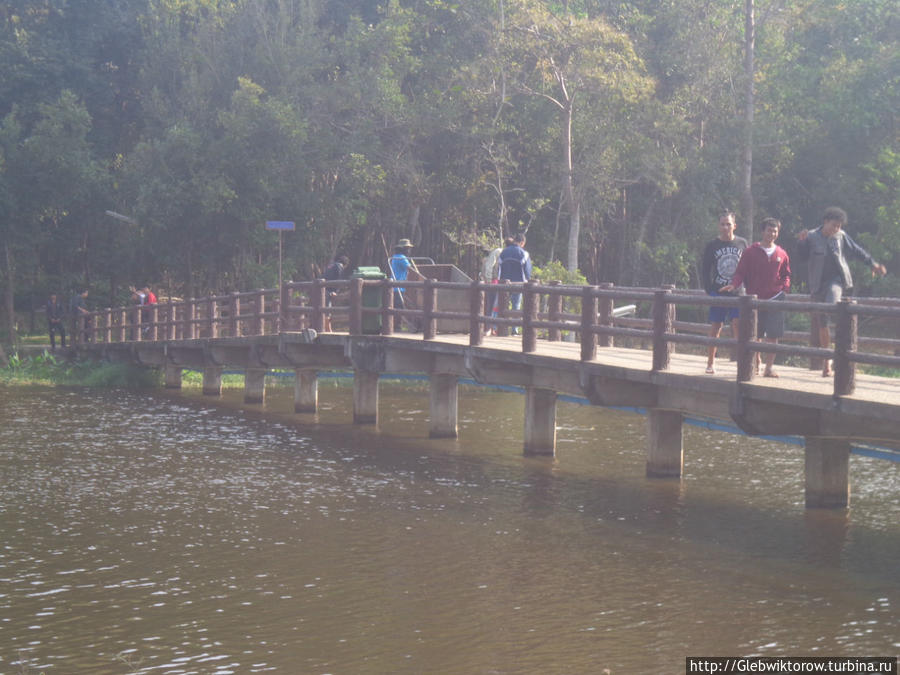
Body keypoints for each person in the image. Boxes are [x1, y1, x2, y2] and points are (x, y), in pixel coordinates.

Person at [795, 206, 887, 376]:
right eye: (833, 225)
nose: (836, 229)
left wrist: (872, 264)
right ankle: (827, 361)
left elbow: (857, 250)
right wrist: (801, 242)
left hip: (837, 280)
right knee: (822, 323)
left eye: (839, 226)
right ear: (825, 222)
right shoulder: (812, 237)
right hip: (817, 285)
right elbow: (802, 257)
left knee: (831, 305)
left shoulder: (841, 236)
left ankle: (843, 353)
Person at [719, 218, 791, 378]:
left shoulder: (782, 253)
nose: (771, 233)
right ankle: (756, 362)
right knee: (754, 335)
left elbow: (786, 274)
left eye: (775, 231)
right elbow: (740, 272)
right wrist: (734, 284)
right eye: (769, 230)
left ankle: (769, 368)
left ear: (778, 233)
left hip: (776, 298)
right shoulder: (751, 252)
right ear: (762, 231)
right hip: (755, 299)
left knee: (773, 335)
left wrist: (785, 287)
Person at [701, 212, 747, 374]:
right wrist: (709, 290)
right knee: (716, 326)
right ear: (718, 226)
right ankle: (710, 363)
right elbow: (705, 269)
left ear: (735, 225)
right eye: (722, 224)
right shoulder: (712, 245)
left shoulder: (742, 243)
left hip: (737, 293)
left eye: (728, 224)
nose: (725, 227)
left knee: (738, 326)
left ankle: (742, 363)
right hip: (719, 291)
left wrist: (745, 288)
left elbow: (747, 268)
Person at [498, 233, 532, 335]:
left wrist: (500, 280)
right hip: (519, 282)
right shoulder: (524, 254)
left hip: (504, 282)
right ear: (522, 243)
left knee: (503, 305)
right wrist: (527, 280)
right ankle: (514, 330)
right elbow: (527, 271)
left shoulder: (504, 252)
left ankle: (502, 328)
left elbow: (499, 268)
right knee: (516, 305)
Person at [390, 238, 418, 313]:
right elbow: (411, 269)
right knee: (400, 309)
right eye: (408, 249)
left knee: (397, 308)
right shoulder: (402, 258)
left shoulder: (395, 256)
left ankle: (397, 324)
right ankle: (398, 324)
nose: (409, 251)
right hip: (399, 287)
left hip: (395, 286)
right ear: (403, 249)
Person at [323, 255, 349, 332]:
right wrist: (335, 291)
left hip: (321, 289)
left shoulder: (331, 265)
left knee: (324, 310)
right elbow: (338, 281)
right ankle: (328, 330)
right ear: (345, 264)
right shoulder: (339, 267)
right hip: (327, 290)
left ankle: (327, 329)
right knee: (327, 311)